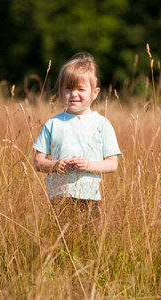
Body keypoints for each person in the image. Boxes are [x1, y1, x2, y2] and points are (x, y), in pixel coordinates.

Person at [33, 52, 121, 246]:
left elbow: (112, 164)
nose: (74, 94)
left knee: (89, 244)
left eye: (81, 89)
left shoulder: (102, 124)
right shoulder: (53, 123)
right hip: (58, 197)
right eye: (68, 88)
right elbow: (37, 161)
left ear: (95, 93)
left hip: (89, 197)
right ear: (60, 91)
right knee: (58, 244)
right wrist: (55, 164)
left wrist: (88, 165)